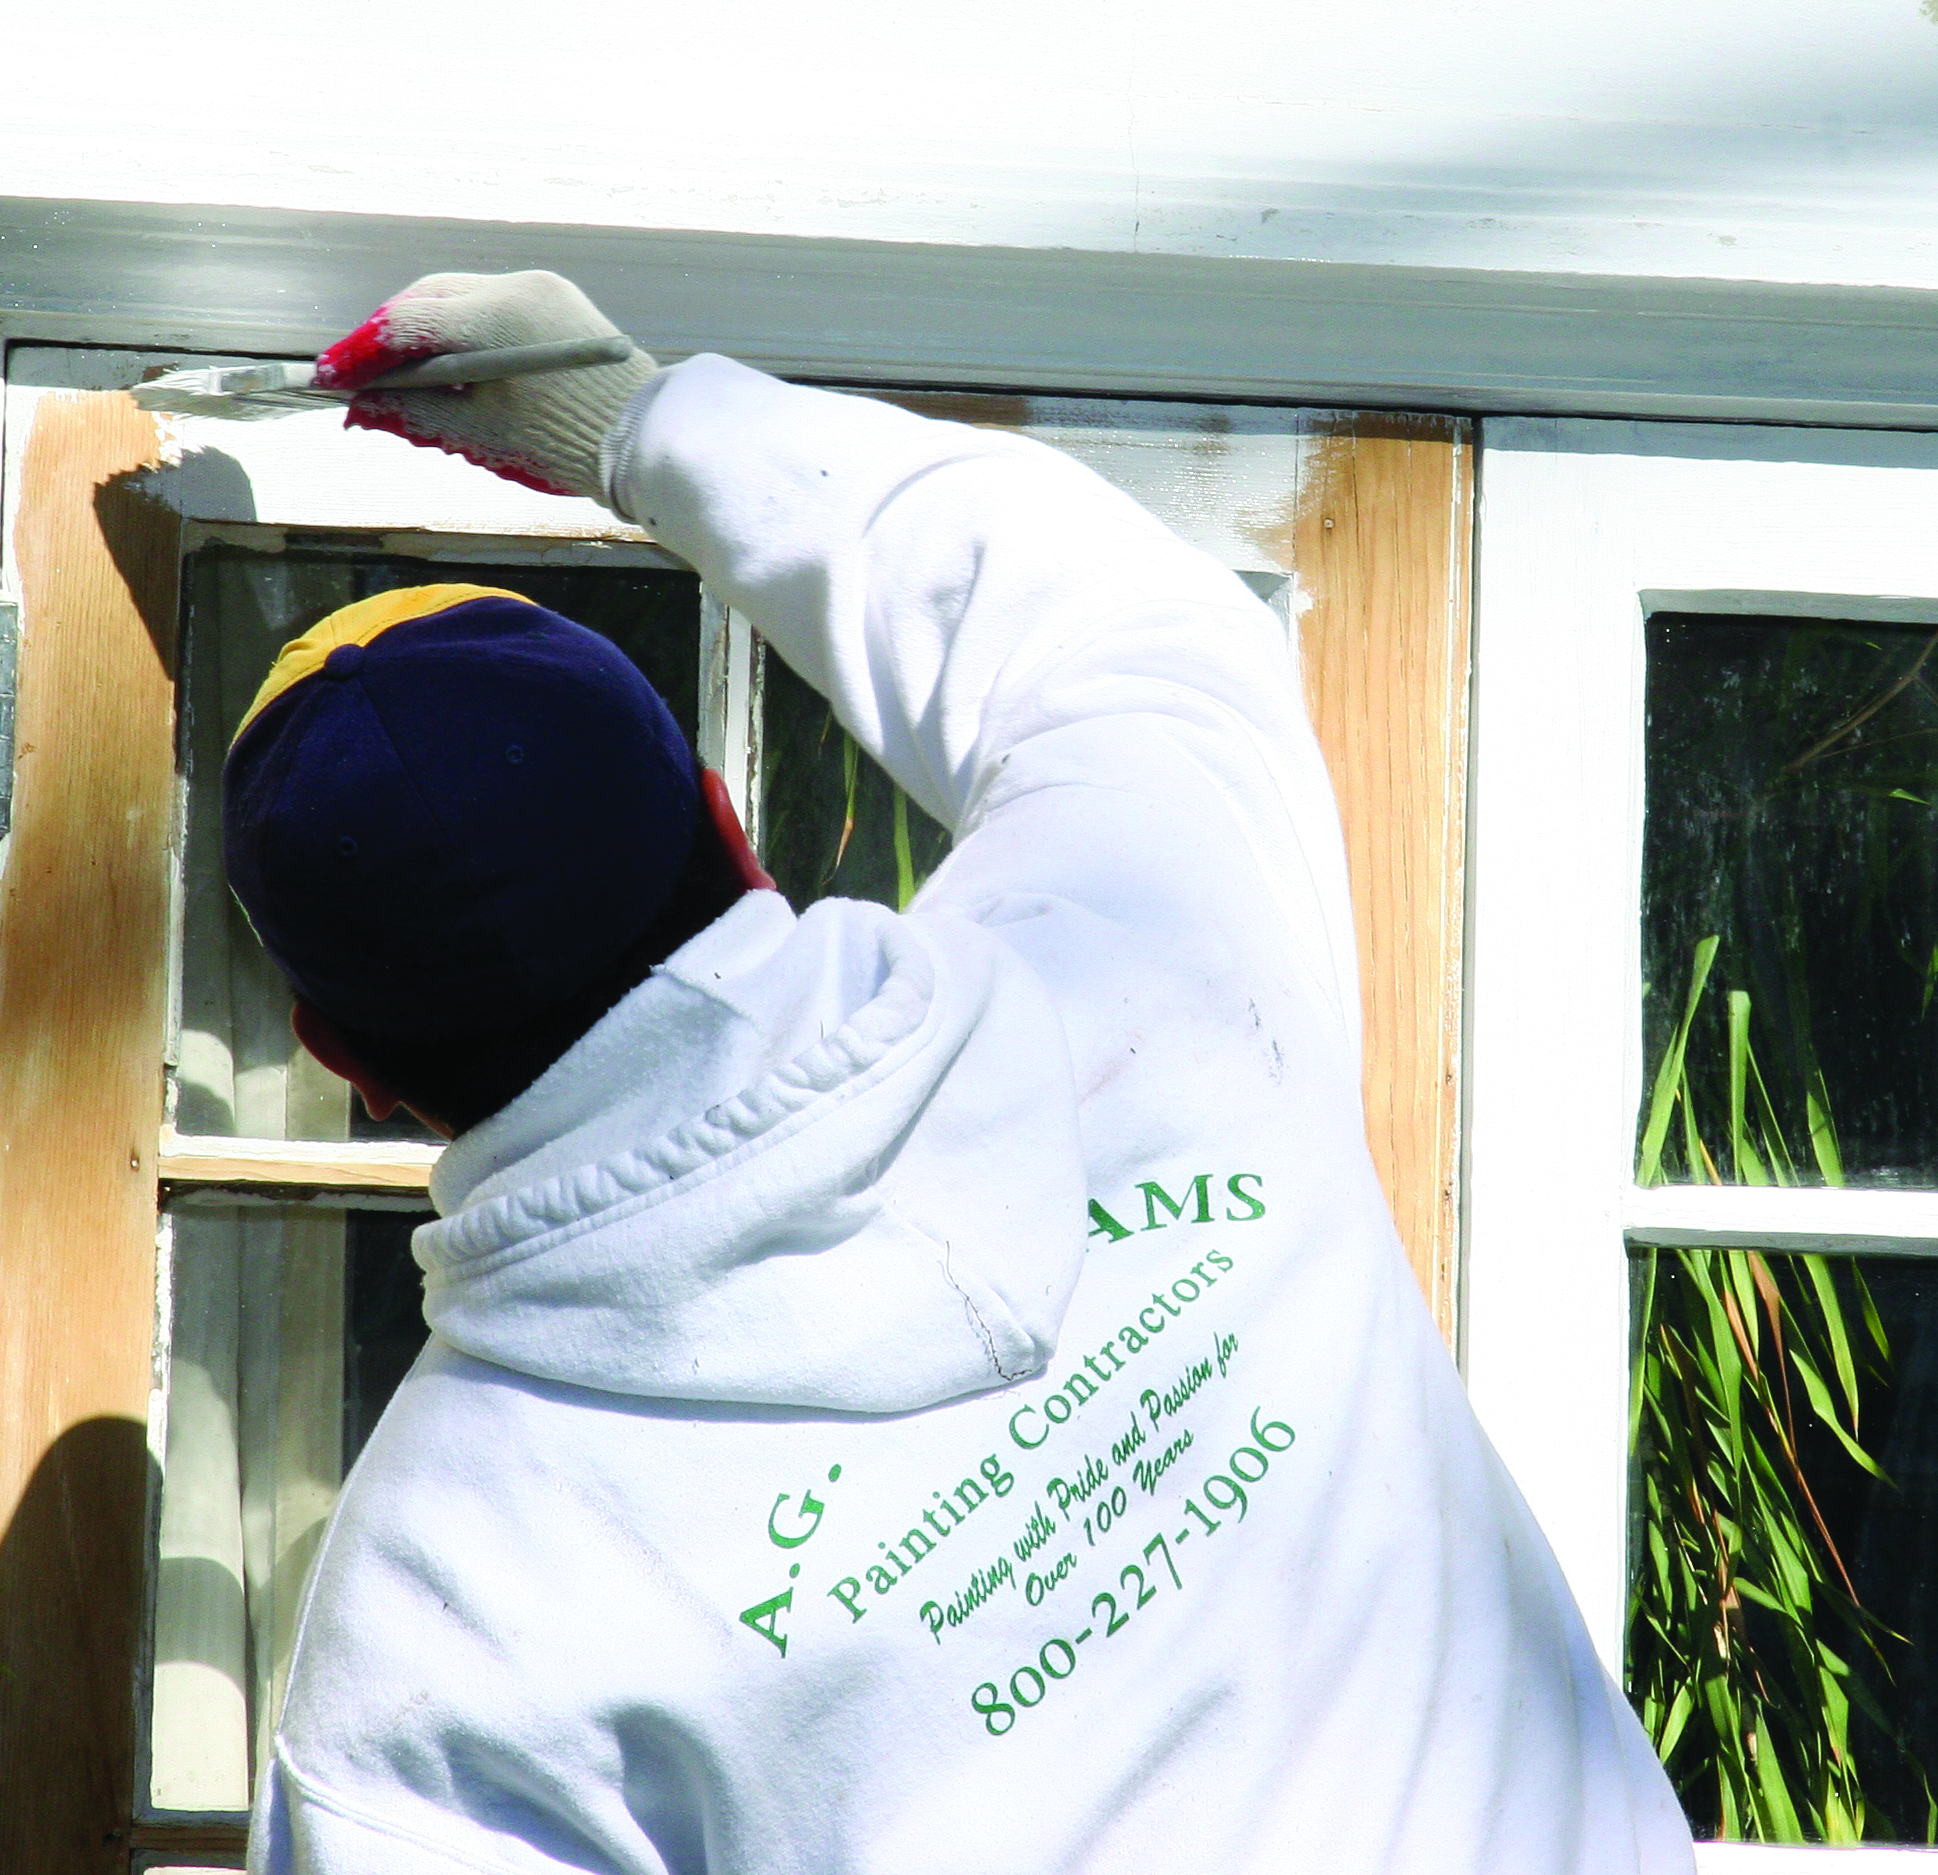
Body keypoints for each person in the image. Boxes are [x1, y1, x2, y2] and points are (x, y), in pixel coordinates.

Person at [229, 271, 1691, 1872]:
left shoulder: (441, 1618)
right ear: (726, 820)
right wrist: (637, 423)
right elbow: (1110, 624)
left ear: (345, 1063)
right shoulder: (1146, 948)